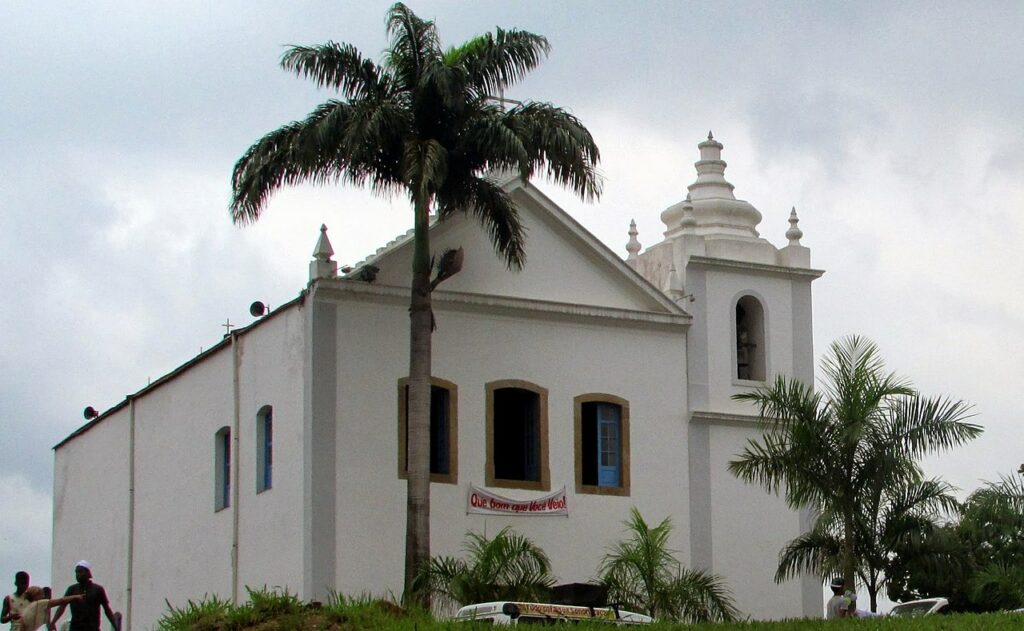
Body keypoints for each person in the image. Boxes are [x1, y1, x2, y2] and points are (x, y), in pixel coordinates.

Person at [48, 563, 116, 631]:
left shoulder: (98, 589)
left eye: (80, 571)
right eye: (76, 572)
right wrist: (53, 622)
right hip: (75, 628)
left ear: (88, 573)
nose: (77, 574)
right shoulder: (72, 589)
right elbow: (62, 607)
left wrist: (115, 626)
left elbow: (107, 610)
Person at [16, 588, 82, 631]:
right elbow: (61, 600)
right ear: (36, 595)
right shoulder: (39, 604)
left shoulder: (26, 609)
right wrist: (76, 597)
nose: (43, 597)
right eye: (42, 595)